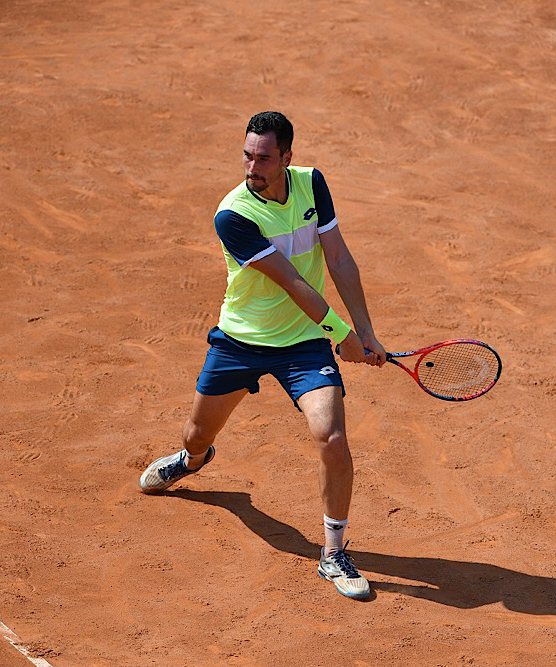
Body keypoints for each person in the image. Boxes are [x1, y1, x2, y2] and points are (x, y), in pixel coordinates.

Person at [139, 111, 386, 600]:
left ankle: (334, 554)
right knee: (197, 434)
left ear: (287, 158)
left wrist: (366, 331)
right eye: (247, 155)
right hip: (241, 342)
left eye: (264, 157)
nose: (253, 166)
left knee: (332, 438)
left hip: (303, 344)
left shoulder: (312, 185)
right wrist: (342, 333)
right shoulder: (233, 214)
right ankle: (191, 460)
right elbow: (293, 283)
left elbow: (337, 257)